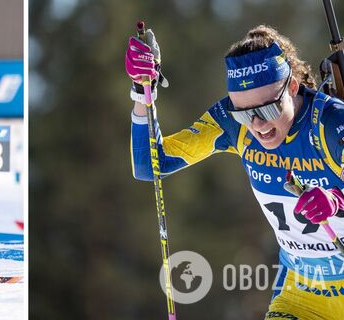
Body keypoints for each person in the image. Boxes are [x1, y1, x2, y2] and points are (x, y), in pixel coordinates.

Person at [127, 25, 344, 318]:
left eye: (268, 110)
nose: (258, 125)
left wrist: (336, 199)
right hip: (303, 293)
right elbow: (150, 165)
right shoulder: (231, 124)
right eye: (244, 113)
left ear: (292, 87)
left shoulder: (329, 123)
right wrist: (143, 94)